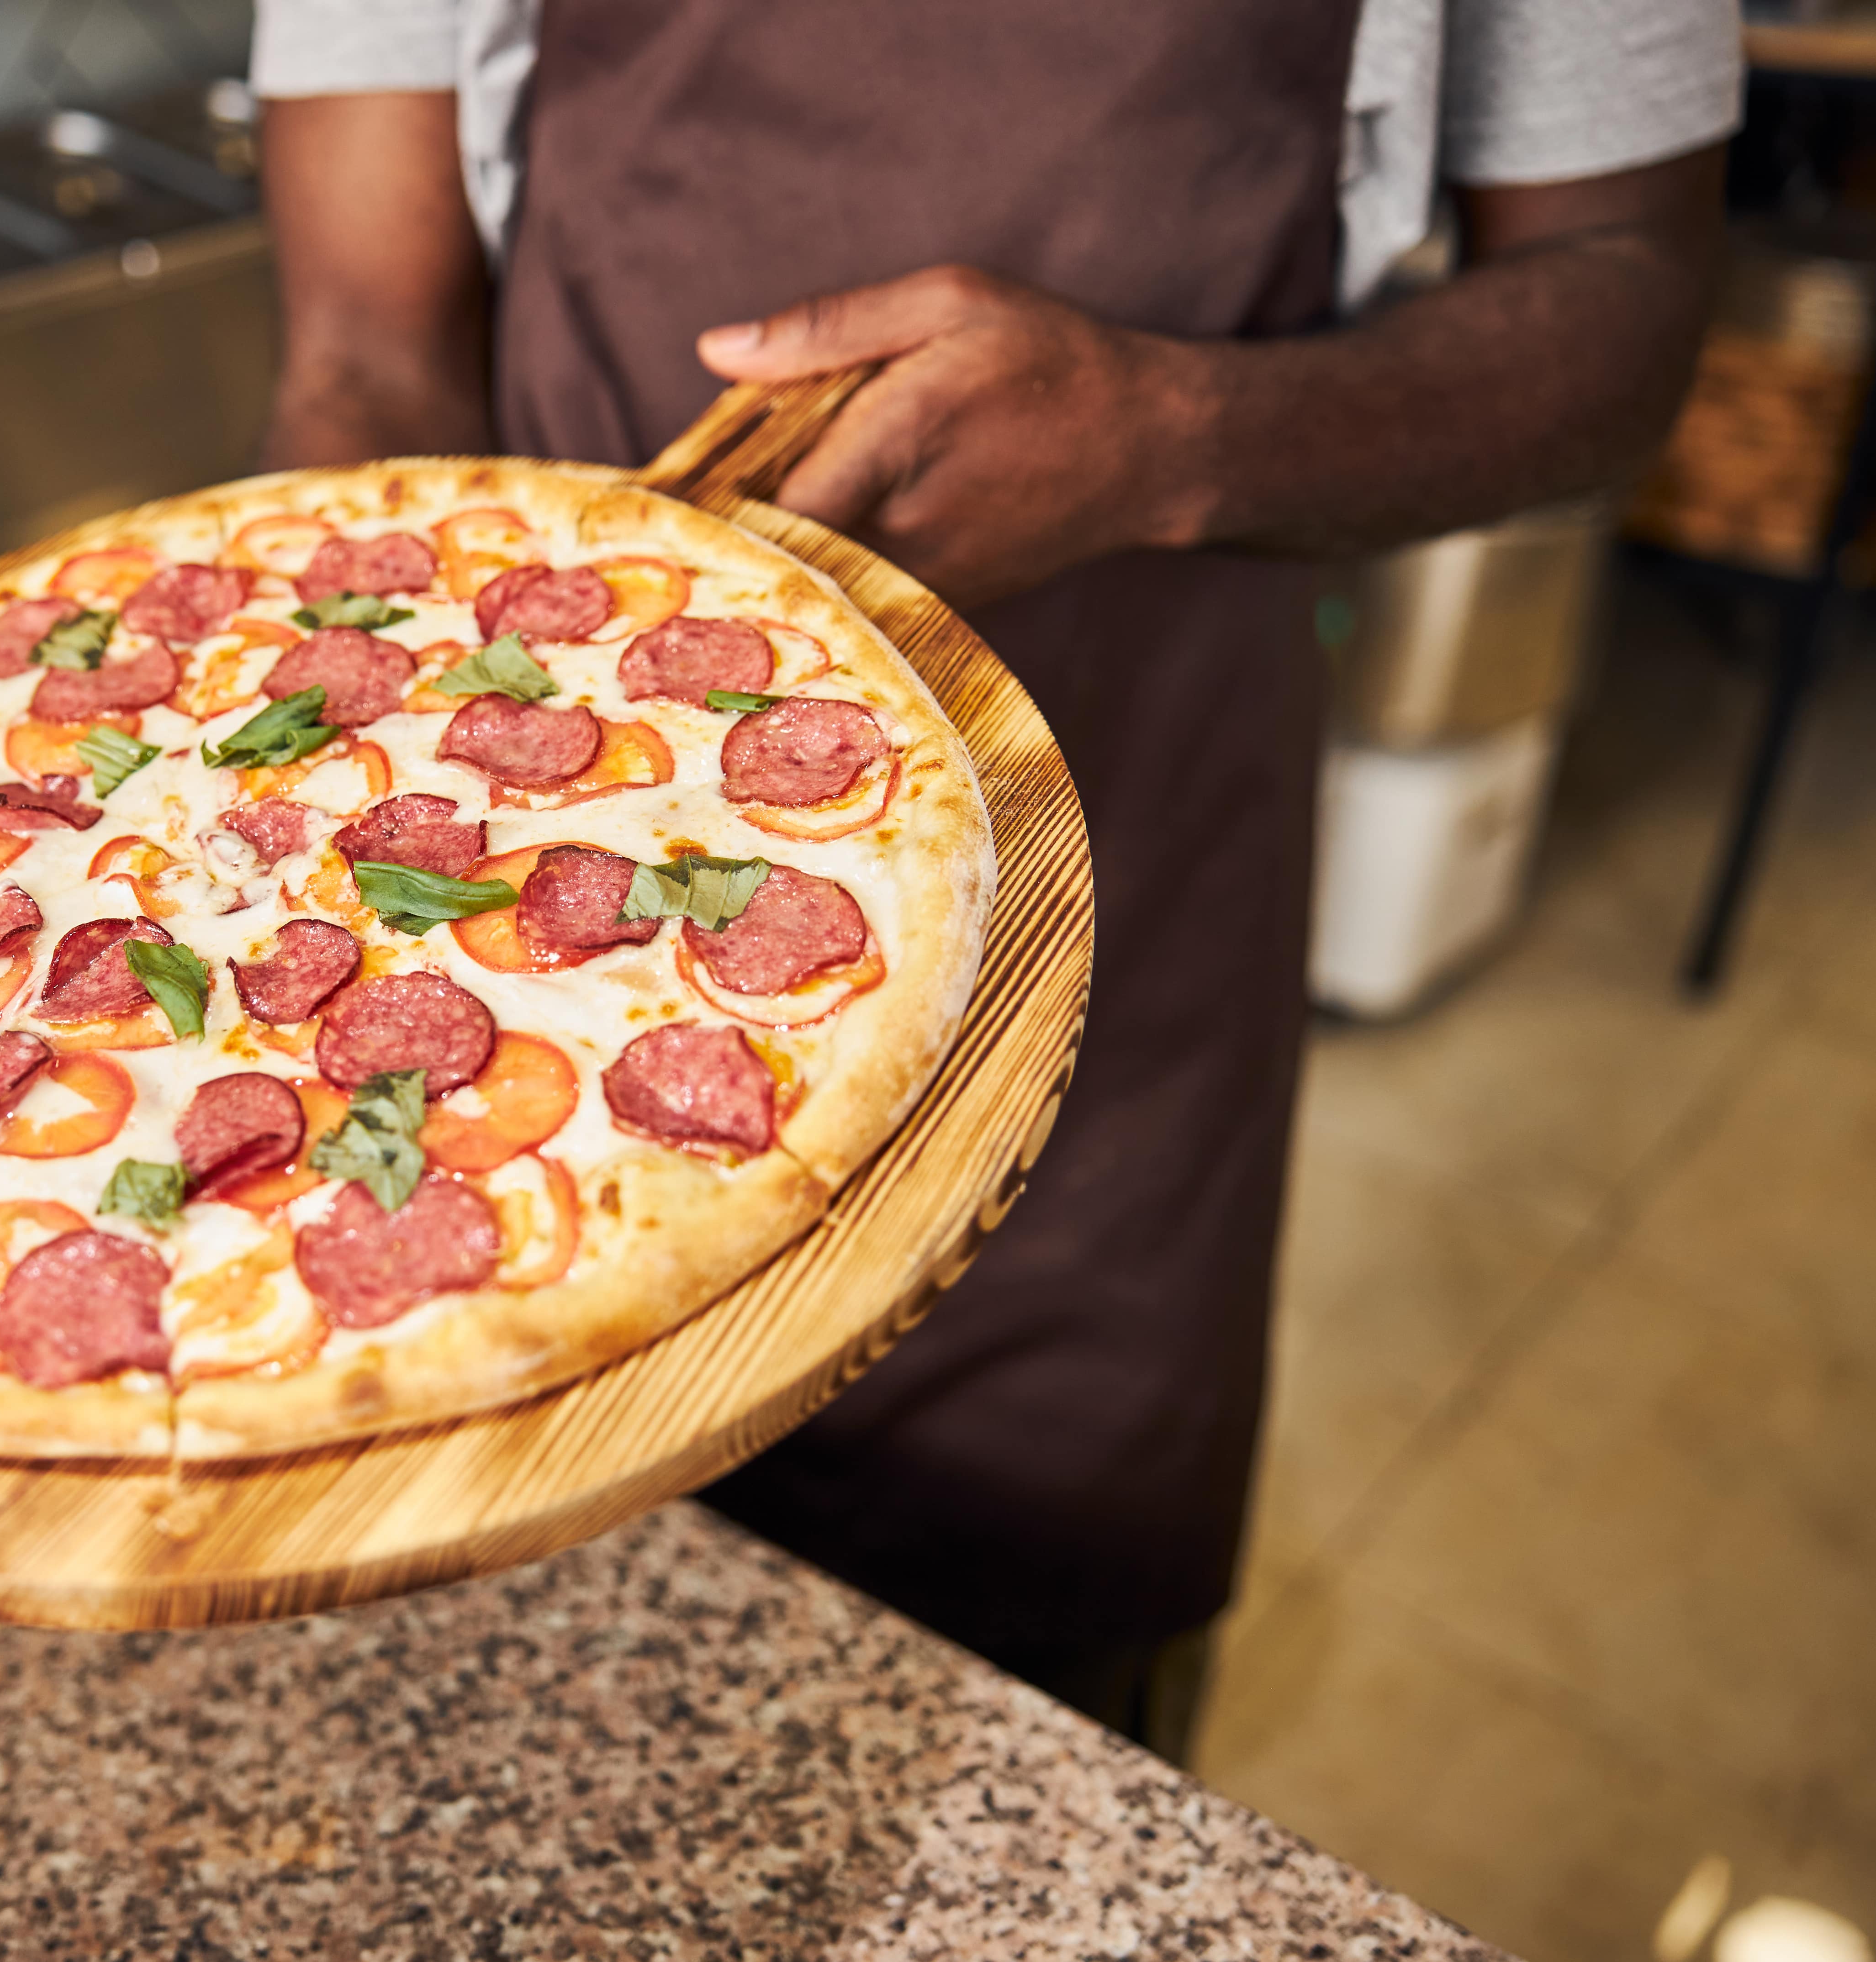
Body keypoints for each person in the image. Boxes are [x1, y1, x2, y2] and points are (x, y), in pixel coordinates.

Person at [248, 0, 1739, 1757]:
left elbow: (1627, 300)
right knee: (506, 1726)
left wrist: (1186, 435)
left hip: (1112, 866)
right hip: (512, 903)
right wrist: (385, 772)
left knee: (1023, 1695)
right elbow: (365, 337)